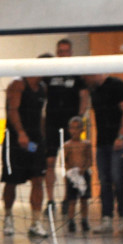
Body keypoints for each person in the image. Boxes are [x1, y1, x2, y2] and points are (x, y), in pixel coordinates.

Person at [43, 39, 89, 228]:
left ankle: (67, 199)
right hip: (52, 123)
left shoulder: (77, 73)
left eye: (66, 51)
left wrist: (78, 119)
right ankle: (51, 200)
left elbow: (84, 97)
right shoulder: (49, 72)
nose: (63, 54)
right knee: (50, 162)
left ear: (71, 52)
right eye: (60, 51)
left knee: (72, 163)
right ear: (56, 52)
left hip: (71, 125)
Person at [1, 67, 48, 238]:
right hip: (15, 139)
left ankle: (36, 222)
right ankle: (7, 218)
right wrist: (21, 133)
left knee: (38, 180)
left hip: (35, 140)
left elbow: (41, 114)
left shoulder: (43, 87)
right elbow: (12, 110)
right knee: (11, 180)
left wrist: (42, 138)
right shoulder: (18, 84)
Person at [86, 72, 123, 234]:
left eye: (87, 76)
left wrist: (121, 136)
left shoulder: (118, 86)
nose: (85, 80)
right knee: (104, 179)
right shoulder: (94, 90)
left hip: (120, 141)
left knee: (118, 177)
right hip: (102, 142)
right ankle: (106, 218)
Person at [61, 116, 93, 233]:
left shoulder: (86, 144)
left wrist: (84, 169)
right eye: (72, 128)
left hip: (84, 175)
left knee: (84, 199)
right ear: (69, 130)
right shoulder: (67, 145)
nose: (75, 131)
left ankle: (84, 220)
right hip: (72, 176)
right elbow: (65, 161)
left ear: (82, 129)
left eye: (77, 128)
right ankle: (71, 221)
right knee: (72, 200)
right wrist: (70, 173)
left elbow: (90, 160)